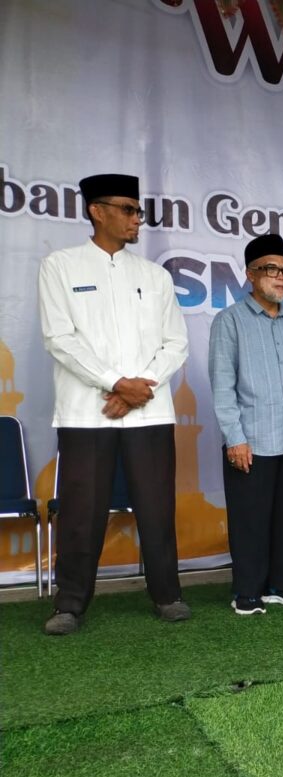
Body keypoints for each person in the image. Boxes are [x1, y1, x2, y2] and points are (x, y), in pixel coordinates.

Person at [39, 173, 190, 636]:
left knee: (156, 507)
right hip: (88, 413)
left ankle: (167, 595)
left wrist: (139, 388)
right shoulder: (60, 266)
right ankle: (70, 604)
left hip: (148, 410)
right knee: (82, 512)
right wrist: (116, 384)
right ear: (96, 211)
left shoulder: (155, 275)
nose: (136, 219)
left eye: (138, 211)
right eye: (127, 210)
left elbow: (176, 343)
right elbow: (59, 339)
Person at [209, 234, 283, 615]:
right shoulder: (230, 321)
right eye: (271, 270)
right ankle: (247, 590)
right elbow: (223, 386)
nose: (281, 278)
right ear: (250, 274)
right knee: (250, 519)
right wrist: (234, 438)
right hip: (251, 439)